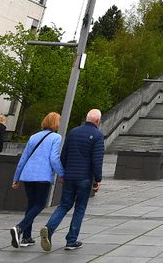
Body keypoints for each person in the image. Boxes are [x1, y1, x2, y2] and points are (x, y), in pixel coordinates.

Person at [40, 108, 104, 252]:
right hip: (84, 178)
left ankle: (49, 228)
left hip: (69, 176)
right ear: (98, 121)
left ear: (87, 118)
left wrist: (62, 174)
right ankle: (71, 240)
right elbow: (97, 160)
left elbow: (64, 155)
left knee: (64, 205)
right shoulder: (97, 135)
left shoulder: (73, 132)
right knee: (80, 208)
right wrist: (97, 180)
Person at [9, 112, 63, 248]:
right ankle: (20, 228)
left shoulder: (34, 137)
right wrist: (62, 174)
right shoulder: (56, 137)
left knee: (31, 204)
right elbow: (54, 158)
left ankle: (26, 237)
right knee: (40, 204)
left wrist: (16, 177)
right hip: (42, 176)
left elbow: (24, 158)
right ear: (56, 123)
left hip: (28, 175)